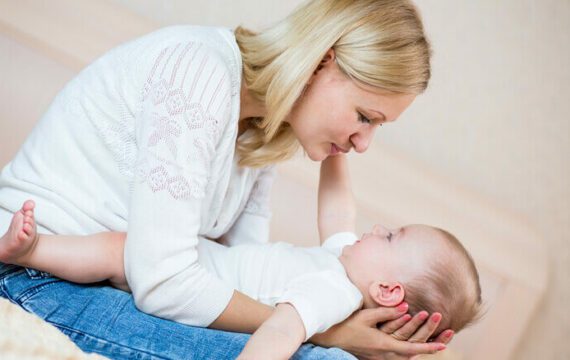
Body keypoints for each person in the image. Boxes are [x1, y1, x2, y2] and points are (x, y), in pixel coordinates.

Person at [0, 0, 452, 358]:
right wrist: (326, 331)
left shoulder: (263, 126)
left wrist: (334, 318)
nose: (364, 143)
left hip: (106, 279)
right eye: (364, 117)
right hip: (34, 273)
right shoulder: (199, 76)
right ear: (320, 63)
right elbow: (163, 284)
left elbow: (243, 264)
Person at [0, 156, 479, 359]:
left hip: (191, 279)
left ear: (388, 290)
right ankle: (30, 252)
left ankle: (33, 251)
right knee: (115, 247)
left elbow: (280, 331)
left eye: (391, 237)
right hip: (194, 261)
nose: (376, 229)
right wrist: (338, 153)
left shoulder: (333, 289)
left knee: (118, 248)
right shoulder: (341, 259)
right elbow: (337, 209)